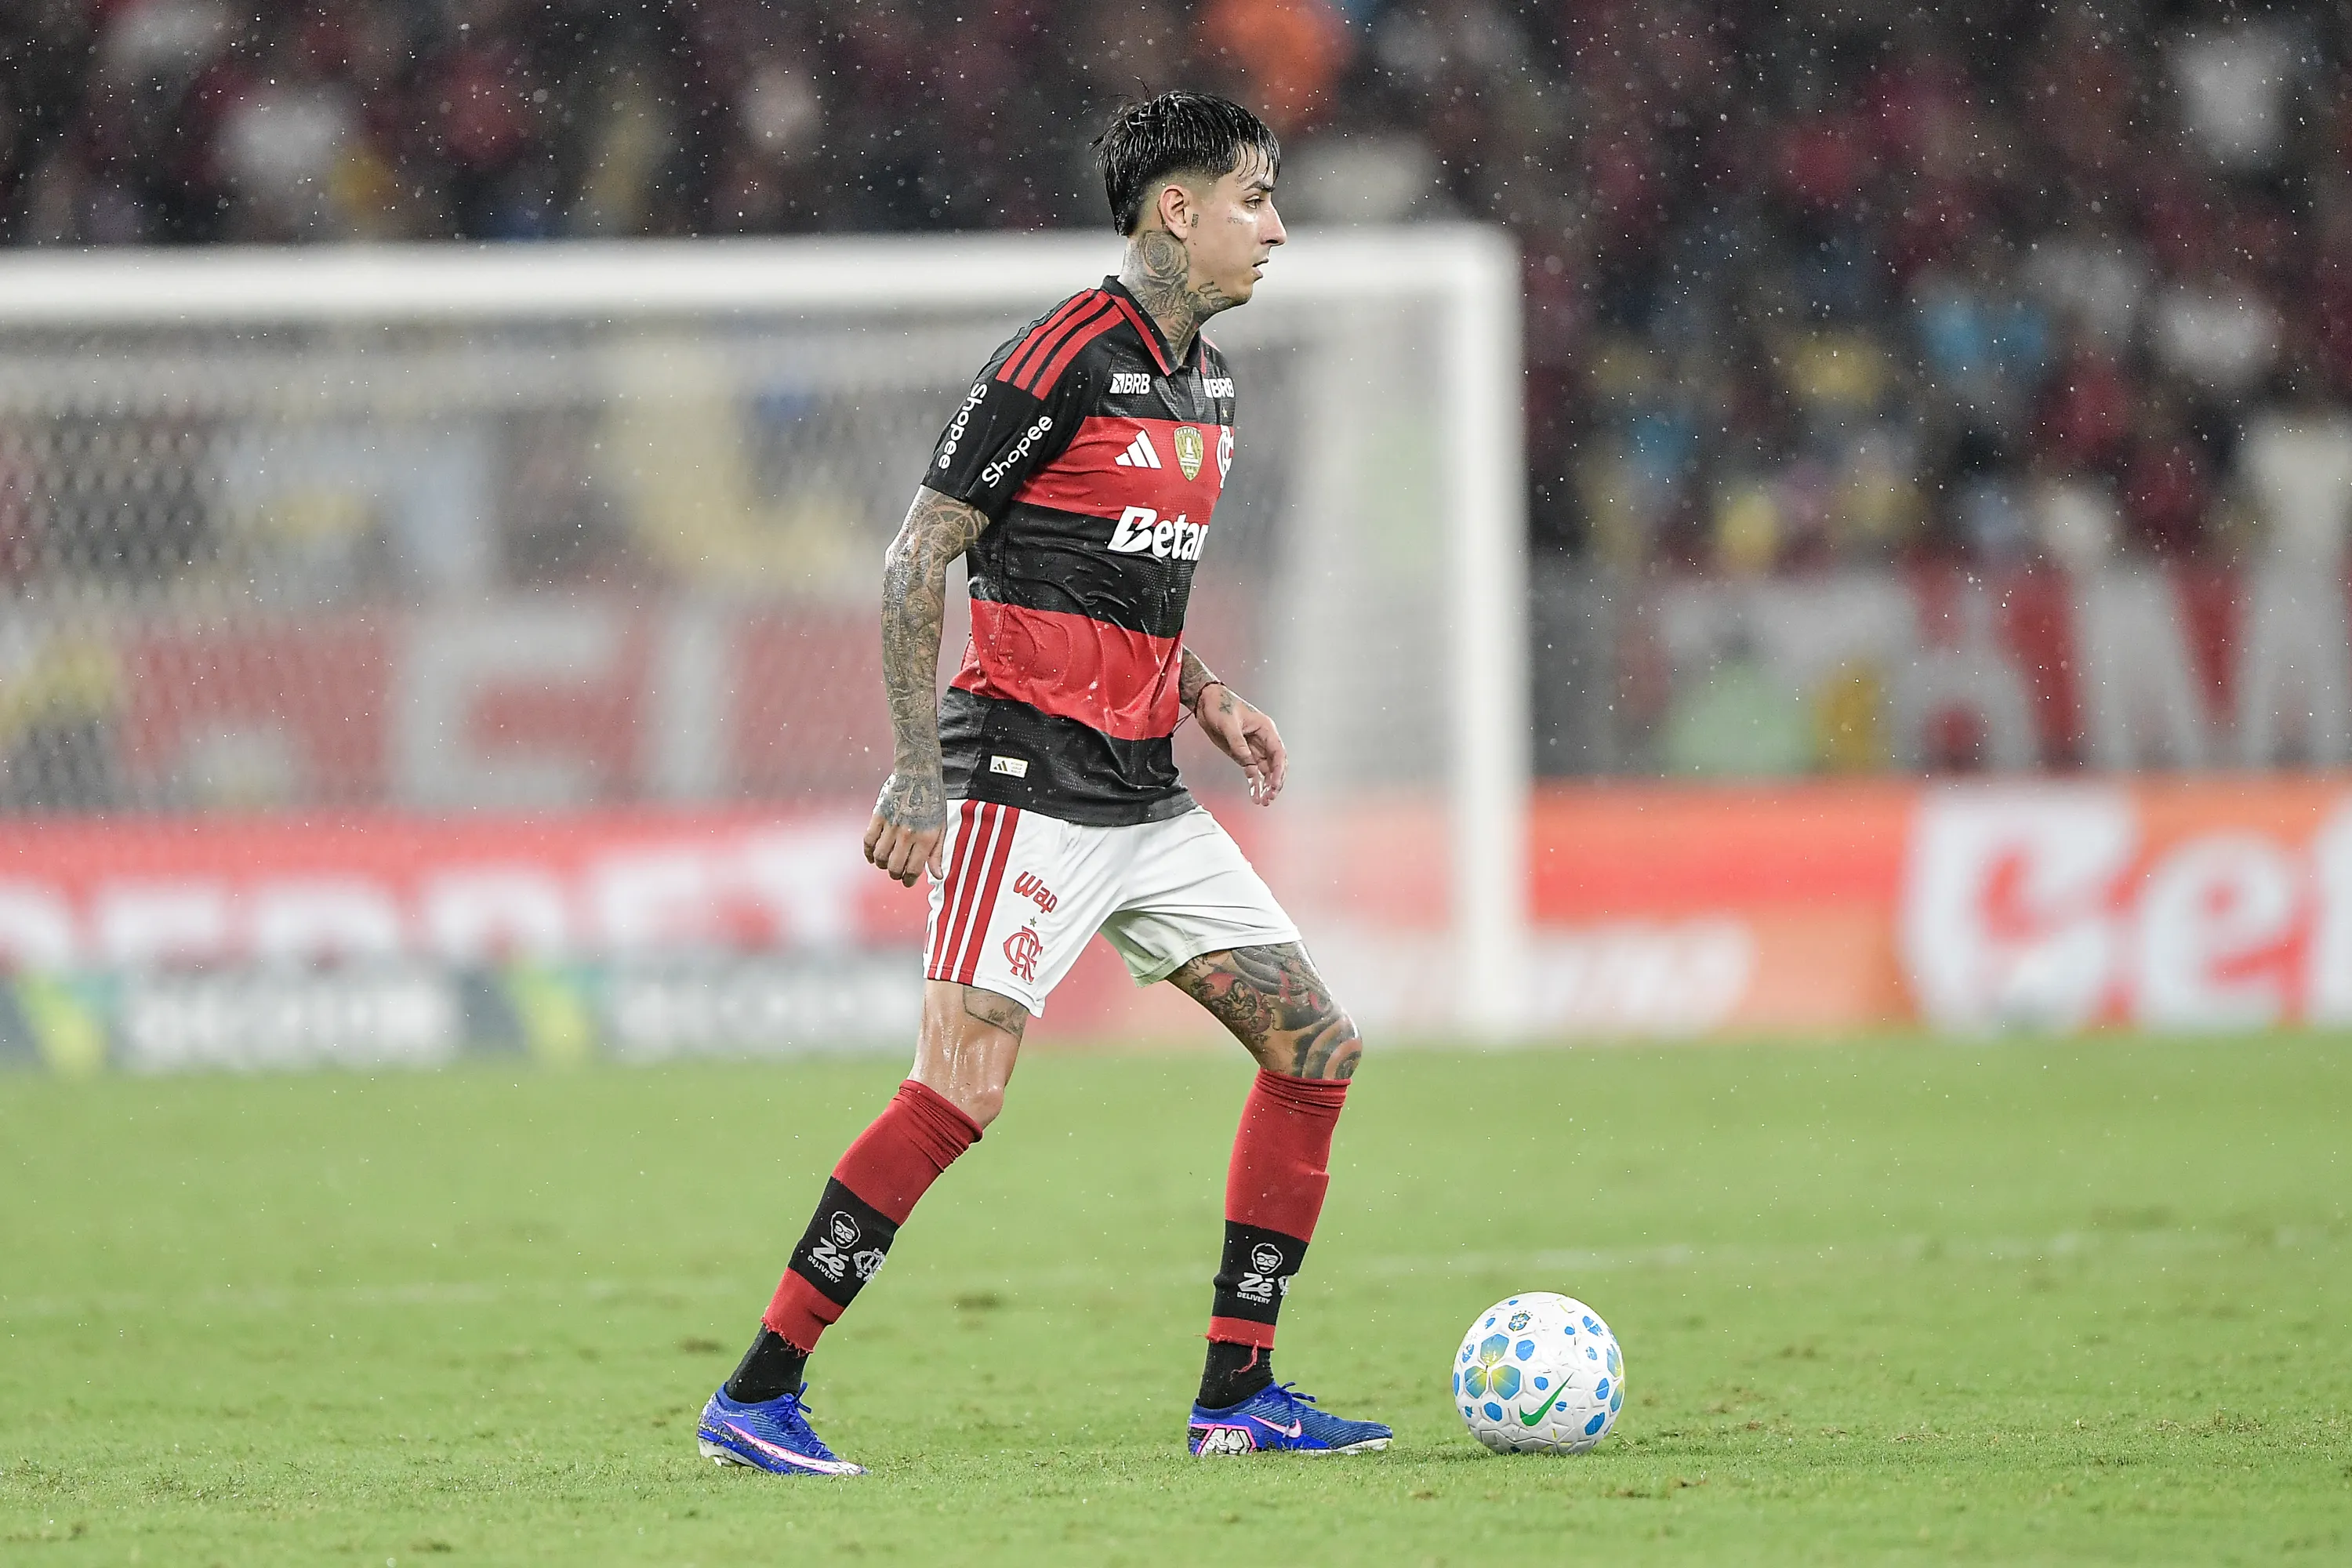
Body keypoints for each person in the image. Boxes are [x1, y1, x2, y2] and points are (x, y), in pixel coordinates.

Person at [695, 90, 1390, 1475]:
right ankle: (758, 1393)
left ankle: (1236, 1396)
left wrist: (1205, 696)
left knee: (1314, 1049)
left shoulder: (1212, 383)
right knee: (958, 1094)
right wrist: (914, 774)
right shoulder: (1058, 355)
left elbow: (1126, 577)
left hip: (1146, 794)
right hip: (1022, 782)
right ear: (1175, 210)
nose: (1279, 227)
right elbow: (917, 557)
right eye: (1255, 200)